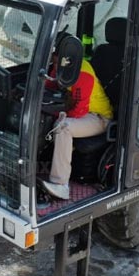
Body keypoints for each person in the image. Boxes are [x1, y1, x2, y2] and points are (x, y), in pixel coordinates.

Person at [42, 34, 114, 200]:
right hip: (81, 111)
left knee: (63, 126)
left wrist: (58, 114)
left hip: (99, 118)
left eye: (54, 56)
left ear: (65, 55)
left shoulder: (82, 72)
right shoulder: (62, 66)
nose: (52, 60)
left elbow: (80, 110)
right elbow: (50, 84)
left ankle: (61, 185)